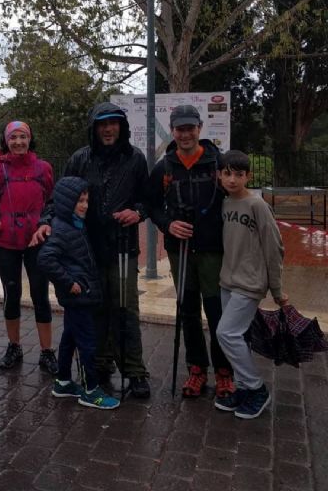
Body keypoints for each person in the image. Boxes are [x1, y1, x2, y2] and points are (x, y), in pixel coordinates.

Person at [32, 103, 151, 397]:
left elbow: (147, 199)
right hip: (85, 249)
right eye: (102, 124)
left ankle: (134, 370)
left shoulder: (135, 159)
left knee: (125, 309)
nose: (108, 129)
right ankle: (99, 362)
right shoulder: (80, 159)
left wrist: (138, 212)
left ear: (121, 127)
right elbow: (58, 199)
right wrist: (46, 222)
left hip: (122, 247)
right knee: (93, 307)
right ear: (94, 129)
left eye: (113, 123)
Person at [148, 104, 235, 399]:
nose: (185, 134)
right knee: (187, 311)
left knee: (217, 311)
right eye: (179, 129)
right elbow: (152, 206)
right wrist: (168, 224)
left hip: (213, 251)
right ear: (172, 131)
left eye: (190, 128)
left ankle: (224, 372)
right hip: (180, 250)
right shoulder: (164, 167)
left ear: (200, 128)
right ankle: (196, 369)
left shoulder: (218, 163)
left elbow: (237, 196)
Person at [214, 150, 286, 419]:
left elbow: (274, 247)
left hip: (250, 282)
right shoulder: (225, 203)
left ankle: (257, 388)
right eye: (227, 174)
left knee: (226, 333)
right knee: (237, 335)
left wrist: (277, 289)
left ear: (248, 176)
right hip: (228, 280)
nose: (232, 179)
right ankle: (243, 388)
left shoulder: (258, 205)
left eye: (239, 174)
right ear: (219, 175)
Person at [38, 177, 120, 410]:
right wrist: (69, 283)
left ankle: (63, 381)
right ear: (66, 202)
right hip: (77, 296)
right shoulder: (63, 229)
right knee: (87, 343)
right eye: (79, 201)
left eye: (86, 200)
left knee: (70, 337)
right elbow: (45, 259)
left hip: (80, 295)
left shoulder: (76, 224)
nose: (84, 205)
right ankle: (90, 389)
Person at [0, 121, 57, 373]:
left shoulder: (43, 168)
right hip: (5, 242)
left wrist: (46, 224)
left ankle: (47, 351)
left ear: (30, 139)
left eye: (22, 137)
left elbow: (51, 201)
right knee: (11, 293)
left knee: (40, 295)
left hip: (36, 241)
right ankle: (14, 346)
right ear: (6, 141)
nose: (18, 142)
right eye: (13, 137)